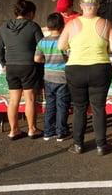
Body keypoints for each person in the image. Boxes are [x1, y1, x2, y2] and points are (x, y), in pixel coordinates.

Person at [58, 0, 112, 156]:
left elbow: (61, 45)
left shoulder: (72, 24)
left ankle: (78, 145)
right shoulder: (106, 23)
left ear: (81, 6)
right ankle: (101, 145)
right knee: (99, 108)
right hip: (100, 68)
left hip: (76, 69)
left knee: (79, 108)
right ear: (97, 5)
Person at [0, 0, 44, 140]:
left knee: (13, 100)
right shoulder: (33, 26)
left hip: (11, 66)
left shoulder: (4, 27)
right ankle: (31, 129)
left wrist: (3, 63)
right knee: (29, 99)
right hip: (28, 66)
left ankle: (13, 130)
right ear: (30, 13)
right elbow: (41, 47)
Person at [35, 13, 71, 142]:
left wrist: (47, 60)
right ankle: (61, 132)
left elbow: (37, 58)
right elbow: (71, 57)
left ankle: (48, 132)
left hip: (48, 77)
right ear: (62, 26)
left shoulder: (42, 41)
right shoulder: (65, 41)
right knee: (62, 105)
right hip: (63, 78)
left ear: (48, 27)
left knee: (50, 104)